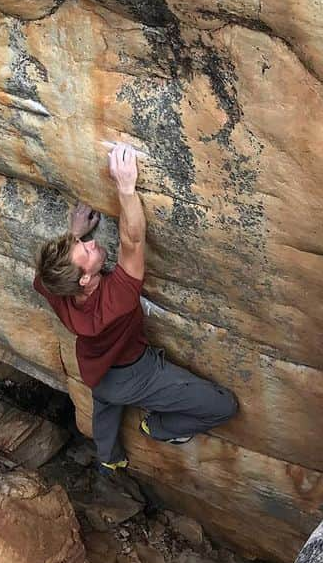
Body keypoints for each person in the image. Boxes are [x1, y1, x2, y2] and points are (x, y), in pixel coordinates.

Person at [33, 143, 239, 472]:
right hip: (136, 374)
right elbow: (133, 240)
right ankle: (158, 429)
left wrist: (73, 233)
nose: (91, 243)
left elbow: (43, 276)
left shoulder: (57, 288)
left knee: (106, 402)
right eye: (86, 250)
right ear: (85, 280)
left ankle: (109, 458)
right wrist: (125, 188)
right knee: (224, 406)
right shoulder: (116, 301)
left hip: (96, 370)